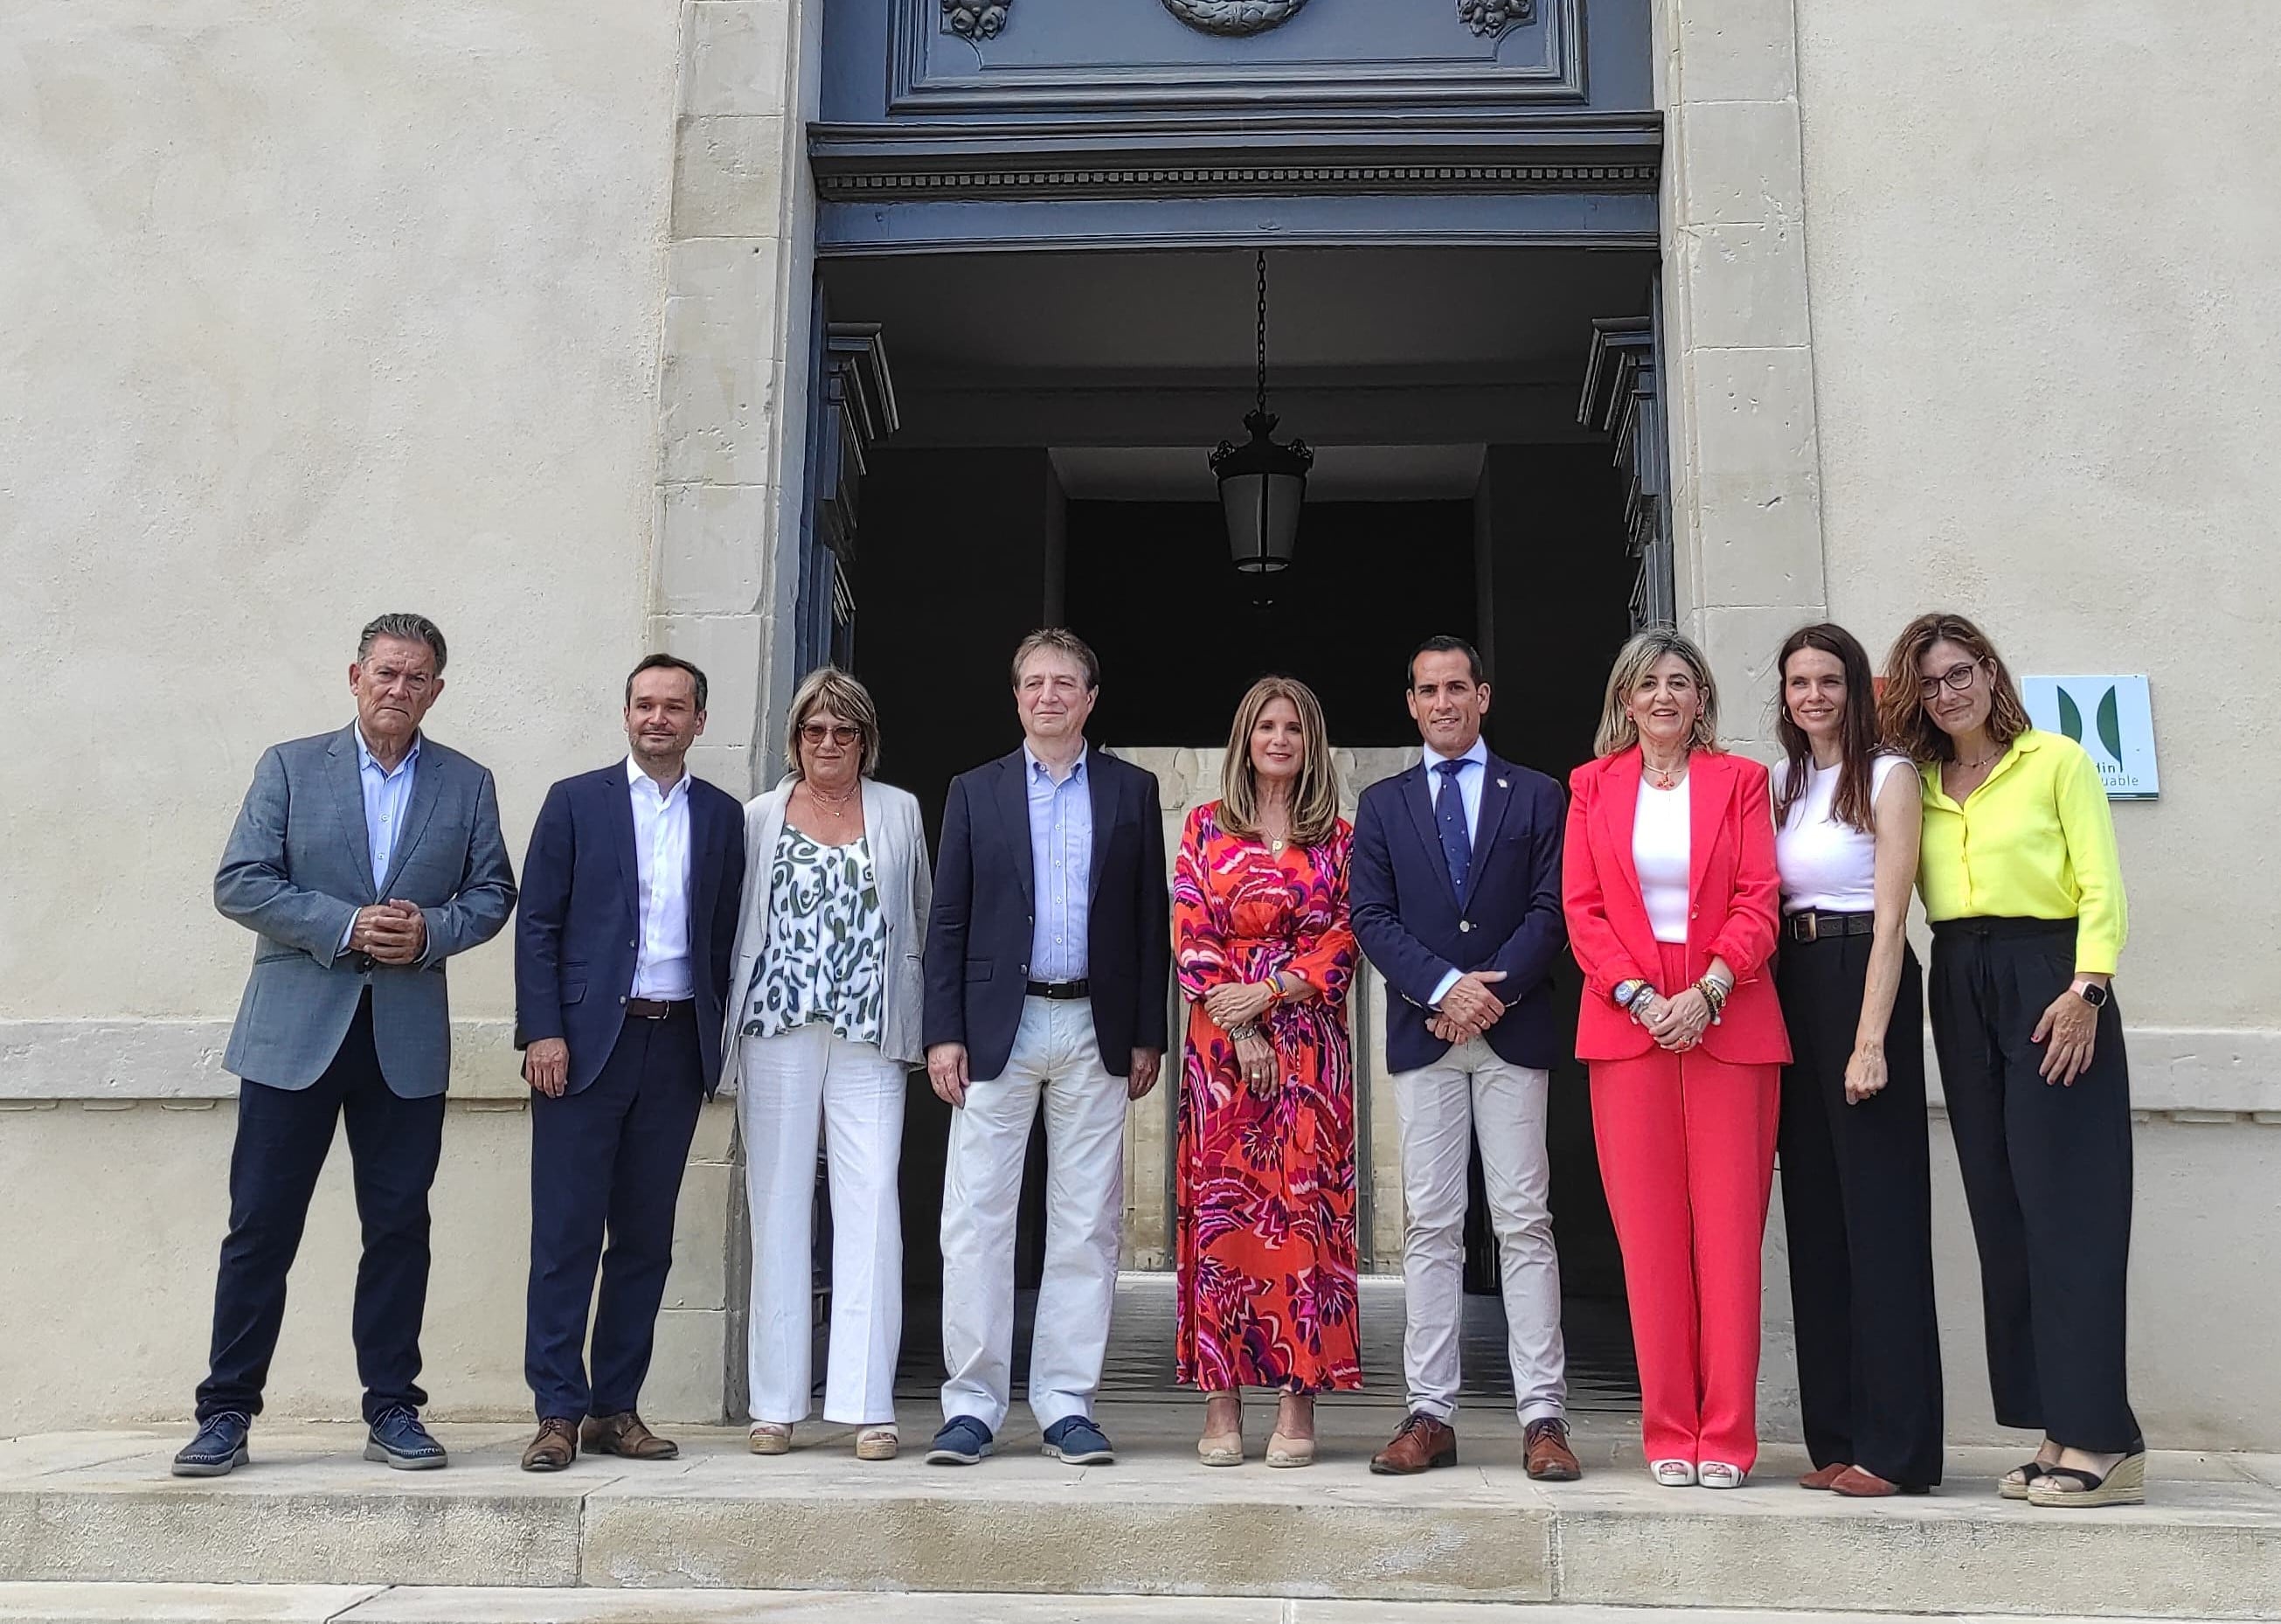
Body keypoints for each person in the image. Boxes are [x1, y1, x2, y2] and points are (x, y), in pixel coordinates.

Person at [173, 614, 517, 1478]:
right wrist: (344, 924)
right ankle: (224, 1413)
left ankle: (394, 1407)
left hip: (402, 1041)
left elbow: (492, 891)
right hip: (294, 1036)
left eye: (418, 677)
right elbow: (240, 880)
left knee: (400, 1227)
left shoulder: (467, 783)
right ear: (355, 676)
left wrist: (432, 933)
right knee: (260, 1227)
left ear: (436, 690)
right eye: (387, 673)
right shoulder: (290, 766)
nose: (399, 689)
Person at [1879, 612, 2142, 1509]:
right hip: (1958, 977)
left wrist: (2089, 988)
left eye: (1962, 672)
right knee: (2005, 1209)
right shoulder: (1918, 779)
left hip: (2050, 980)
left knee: (2071, 1209)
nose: (1948, 692)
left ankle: (2105, 1437)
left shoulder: (2058, 761)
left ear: (1991, 673)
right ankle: (2056, 1427)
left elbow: (2102, 881)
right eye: (1930, 681)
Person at [922, 628, 1169, 1468]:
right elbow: (947, 919)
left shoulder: (1131, 792)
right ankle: (973, 1405)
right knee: (976, 1220)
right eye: (1034, 682)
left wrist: (1146, 1033)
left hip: (1092, 1027)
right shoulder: (973, 791)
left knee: (1086, 1225)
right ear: (1017, 696)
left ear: (1091, 698)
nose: (1049, 695)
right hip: (1000, 1026)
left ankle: (1067, 1401)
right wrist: (942, 1031)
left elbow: (1148, 920)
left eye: (1066, 682)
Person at [1561, 628, 1788, 1489]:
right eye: (1649, 682)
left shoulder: (1741, 782)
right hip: (1630, 1030)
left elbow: (1758, 899)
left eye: (1680, 682)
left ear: (1702, 700)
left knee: (1729, 1234)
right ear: (1626, 699)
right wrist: (1642, 997)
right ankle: (1670, 1426)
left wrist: (1709, 990)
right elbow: (1584, 911)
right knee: (1650, 1239)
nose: (1664, 696)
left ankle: (1726, 1434)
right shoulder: (1590, 787)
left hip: (1729, 1023)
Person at [1348, 637, 1580, 1482]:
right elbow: (1371, 918)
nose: (1442, 702)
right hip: (1427, 1035)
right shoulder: (1383, 805)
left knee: (1524, 1221)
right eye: (1426, 690)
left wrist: (1495, 990)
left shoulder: (1539, 796)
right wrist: (1445, 989)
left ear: (1483, 695)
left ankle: (1544, 1416)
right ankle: (1429, 1413)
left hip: (1513, 1031)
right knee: (1431, 1226)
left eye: (1457, 688)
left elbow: (1554, 909)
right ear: (1410, 703)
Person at [511, 655, 746, 1472]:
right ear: (626, 715)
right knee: (566, 1237)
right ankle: (555, 1412)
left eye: (674, 707)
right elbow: (537, 923)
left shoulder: (722, 817)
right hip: (581, 1051)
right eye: (645, 705)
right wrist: (542, 1032)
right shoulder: (577, 802)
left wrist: (717, 1040)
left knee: (644, 1241)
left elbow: (722, 934)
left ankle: (618, 1407)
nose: (658, 719)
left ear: (698, 722)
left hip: (675, 1046)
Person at [726, 668, 931, 1462]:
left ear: (865, 740)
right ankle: (775, 1403)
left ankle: (866, 1402)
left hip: (869, 1028)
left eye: (844, 731)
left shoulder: (899, 812)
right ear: (795, 739)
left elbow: (918, 916)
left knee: (872, 1199)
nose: (828, 745)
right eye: (815, 731)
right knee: (776, 1200)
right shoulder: (759, 818)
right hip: (776, 1020)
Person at [1771, 623, 1943, 1497]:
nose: (1814, 695)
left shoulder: (1890, 776)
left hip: (1858, 979)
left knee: (1880, 1221)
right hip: (1792, 981)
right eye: (1799, 681)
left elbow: (1890, 917)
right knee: (1818, 1221)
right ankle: (1836, 1434)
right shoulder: (1785, 783)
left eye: (1829, 679)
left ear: (1855, 688)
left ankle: (1898, 1446)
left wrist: (1871, 1038)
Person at [1174, 676, 1360, 1468]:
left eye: (1293, 728)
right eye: (1265, 727)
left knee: (1307, 1216)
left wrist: (1277, 991)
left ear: (1311, 742)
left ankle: (1298, 1399)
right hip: (1221, 1051)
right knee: (1223, 1220)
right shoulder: (1205, 828)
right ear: (1244, 740)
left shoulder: (1341, 837)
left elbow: (1351, 932)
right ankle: (1221, 1403)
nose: (1278, 739)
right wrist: (1239, 1017)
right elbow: (1190, 925)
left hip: (1313, 1047)